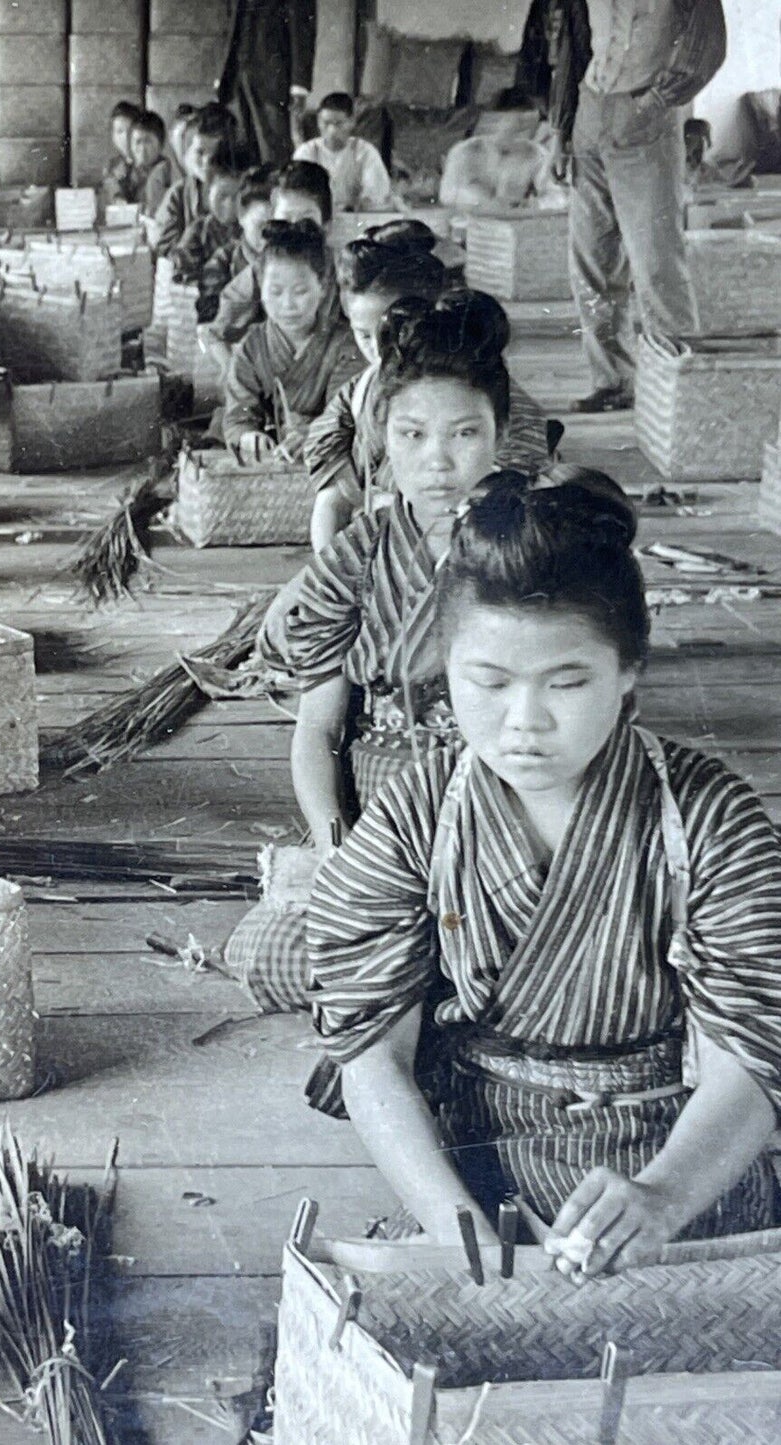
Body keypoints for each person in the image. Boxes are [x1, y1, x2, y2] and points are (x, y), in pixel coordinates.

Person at [305, 471, 781, 1261]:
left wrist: (662, 1197)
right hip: (481, 1162)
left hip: (685, 1159)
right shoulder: (417, 814)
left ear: (628, 670)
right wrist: (457, 1230)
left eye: (567, 682)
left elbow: (754, 1049)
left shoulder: (707, 814)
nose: (523, 723)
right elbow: (373, 1054)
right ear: (445, 664)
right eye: (487, 683)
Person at [238, 294, 511, 1012]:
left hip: (506, 803)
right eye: (412, 434)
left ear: (499, 435)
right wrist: (335, 853)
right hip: (378, 816)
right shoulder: (356, 554)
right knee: (273, 959)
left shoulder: (531, 548)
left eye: (464, 434)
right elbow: (318, 731)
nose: (437, 461)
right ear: (381, 439)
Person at [307, 224, 552, 549]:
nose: (376, 350)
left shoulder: (479, 387)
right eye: (363, 335)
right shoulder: (359, 391)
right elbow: (333, 499)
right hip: (381, 548)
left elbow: (516, 477)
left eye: (390, 330)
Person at [556, 0, 726, 414]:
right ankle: (613, 381)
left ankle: (678, 392)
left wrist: (652, 102)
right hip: (590, 113)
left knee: (656, 264)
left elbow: (709, 46)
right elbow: (573, 49)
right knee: (591, 263)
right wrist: (561, 131)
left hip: (645, 118)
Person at [219, 220, 363, 460]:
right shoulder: (251, 347)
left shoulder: (344, 344)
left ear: (323, 288)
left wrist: (311, 434)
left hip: (331, 457)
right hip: (271, 463)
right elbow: (237, 418)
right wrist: (248, 436)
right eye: (275, 292)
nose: (288, 305)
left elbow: (344, 417)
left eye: (300, 291)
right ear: (261, 289)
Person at [208, 160, 332, 350]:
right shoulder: (260, 271)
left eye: (307, 220)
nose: (295, 229)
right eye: (284, 219)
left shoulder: (343, 269)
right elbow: (217, 336)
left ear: (326, 225)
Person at [218, 0, 316, 164]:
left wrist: (299, 85)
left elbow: (302, 28)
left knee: (274, 149)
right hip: (238, 77)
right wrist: (222, 72)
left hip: (273, 79)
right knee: (244, 148)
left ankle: (275, 188)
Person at [439, 89, 558, 211]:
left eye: (530, 128)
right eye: (518, 127)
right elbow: (447, 194)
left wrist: (535, 205)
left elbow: (559, 197)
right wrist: (481, 200)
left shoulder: (537, 154)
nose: (526, 135)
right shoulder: (465, 152)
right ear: (494, 122)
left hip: (514, 225)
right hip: (470, 224)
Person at [153, 103, 240, 255]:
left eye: (216, 154)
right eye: (200, 152)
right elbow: (164, 247)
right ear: (188, 151)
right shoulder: (178, 195)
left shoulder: (243, 190)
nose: (206, 162)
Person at [294, 92, 392, 212]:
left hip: (356, 216)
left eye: (338, 124)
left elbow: (376, 195)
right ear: (318, 122)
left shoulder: (365, 152)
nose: (332, 131)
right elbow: (297, 195)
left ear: (352, 122)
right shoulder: (307, 152)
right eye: (326, 123)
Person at [199, 165, 274, 322]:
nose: (270, 237)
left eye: (280, 225)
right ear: (241, 215)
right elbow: (212, 327)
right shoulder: (222, 263)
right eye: (261, 227)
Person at [171, 168, 243, 286]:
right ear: (209, 196)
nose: (229, 203)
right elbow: (184, 273)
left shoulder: (248, 229)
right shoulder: (198, 230)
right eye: (222, 196)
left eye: (235, 198)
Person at [101, 101, 144, 208]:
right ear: (113, 136)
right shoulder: (112, 167)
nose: (125, 138)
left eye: (130, 131)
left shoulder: (152, 163)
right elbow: (111, 190)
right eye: (119, 131)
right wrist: (117, 198)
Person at [128, 110, 170, 215]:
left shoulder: (167, 171)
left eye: (148, 141)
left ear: (161, 144)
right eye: (138, 142)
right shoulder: (127, 172)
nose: (142, 149)